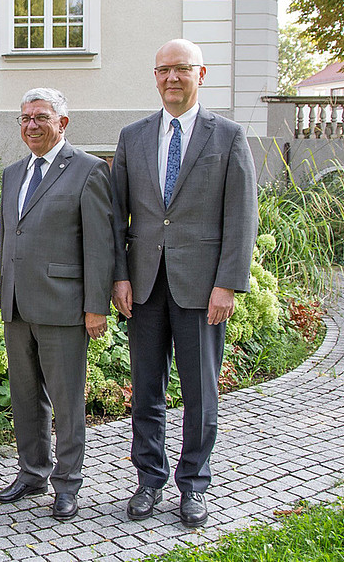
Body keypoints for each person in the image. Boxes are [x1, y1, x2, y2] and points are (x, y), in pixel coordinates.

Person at [111, 39, 258, 528]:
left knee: (200, 393)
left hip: (201, 288)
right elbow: (117, 216)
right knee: (147, 389)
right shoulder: (132, 136)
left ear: (201, 74)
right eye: (163, 70)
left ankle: (193, 484)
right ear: (155, 77)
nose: (172, 78)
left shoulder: (229, 136)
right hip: (145, 285)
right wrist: (119, 276)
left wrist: (228, 284)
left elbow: (242, 216)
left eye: (181, 69)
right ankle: (148, 480)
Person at [0, 88, 114, 521]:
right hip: (17, 305)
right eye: (24, 117)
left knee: (66, 402)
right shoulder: (12, 173)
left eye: (41, 117)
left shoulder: (88, 170)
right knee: (26, 397)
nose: (31, 125)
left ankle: (68, 484)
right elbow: (12, 236)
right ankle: (32, 473)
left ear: (62, 123)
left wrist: (95, 305)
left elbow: (101, 245)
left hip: (64, 305)